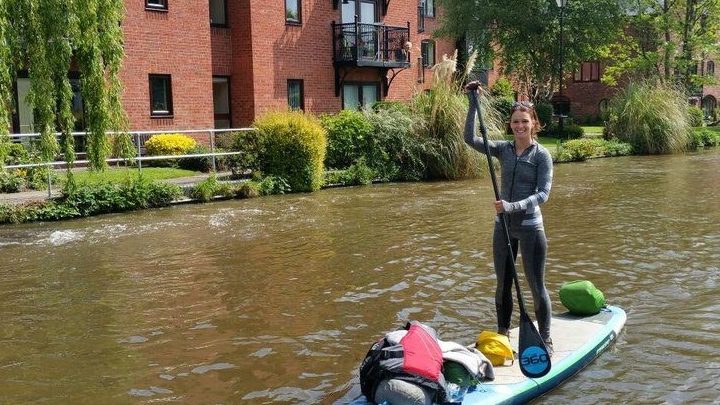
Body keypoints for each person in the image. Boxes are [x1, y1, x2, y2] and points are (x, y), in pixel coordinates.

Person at [463, 81, 554, 354]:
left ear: (533, 123)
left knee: (536, 286)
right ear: (510, 124)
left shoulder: (542, 155)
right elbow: (470, 139)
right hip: (502, 228)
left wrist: (512, 206)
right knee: (503, 284)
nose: (519, 126)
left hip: (529, 228)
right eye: (515, 122)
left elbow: (543, 194)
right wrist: (472, 103)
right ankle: (503, 334)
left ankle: (546, 338)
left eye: (524, 121)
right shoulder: (503, 149)